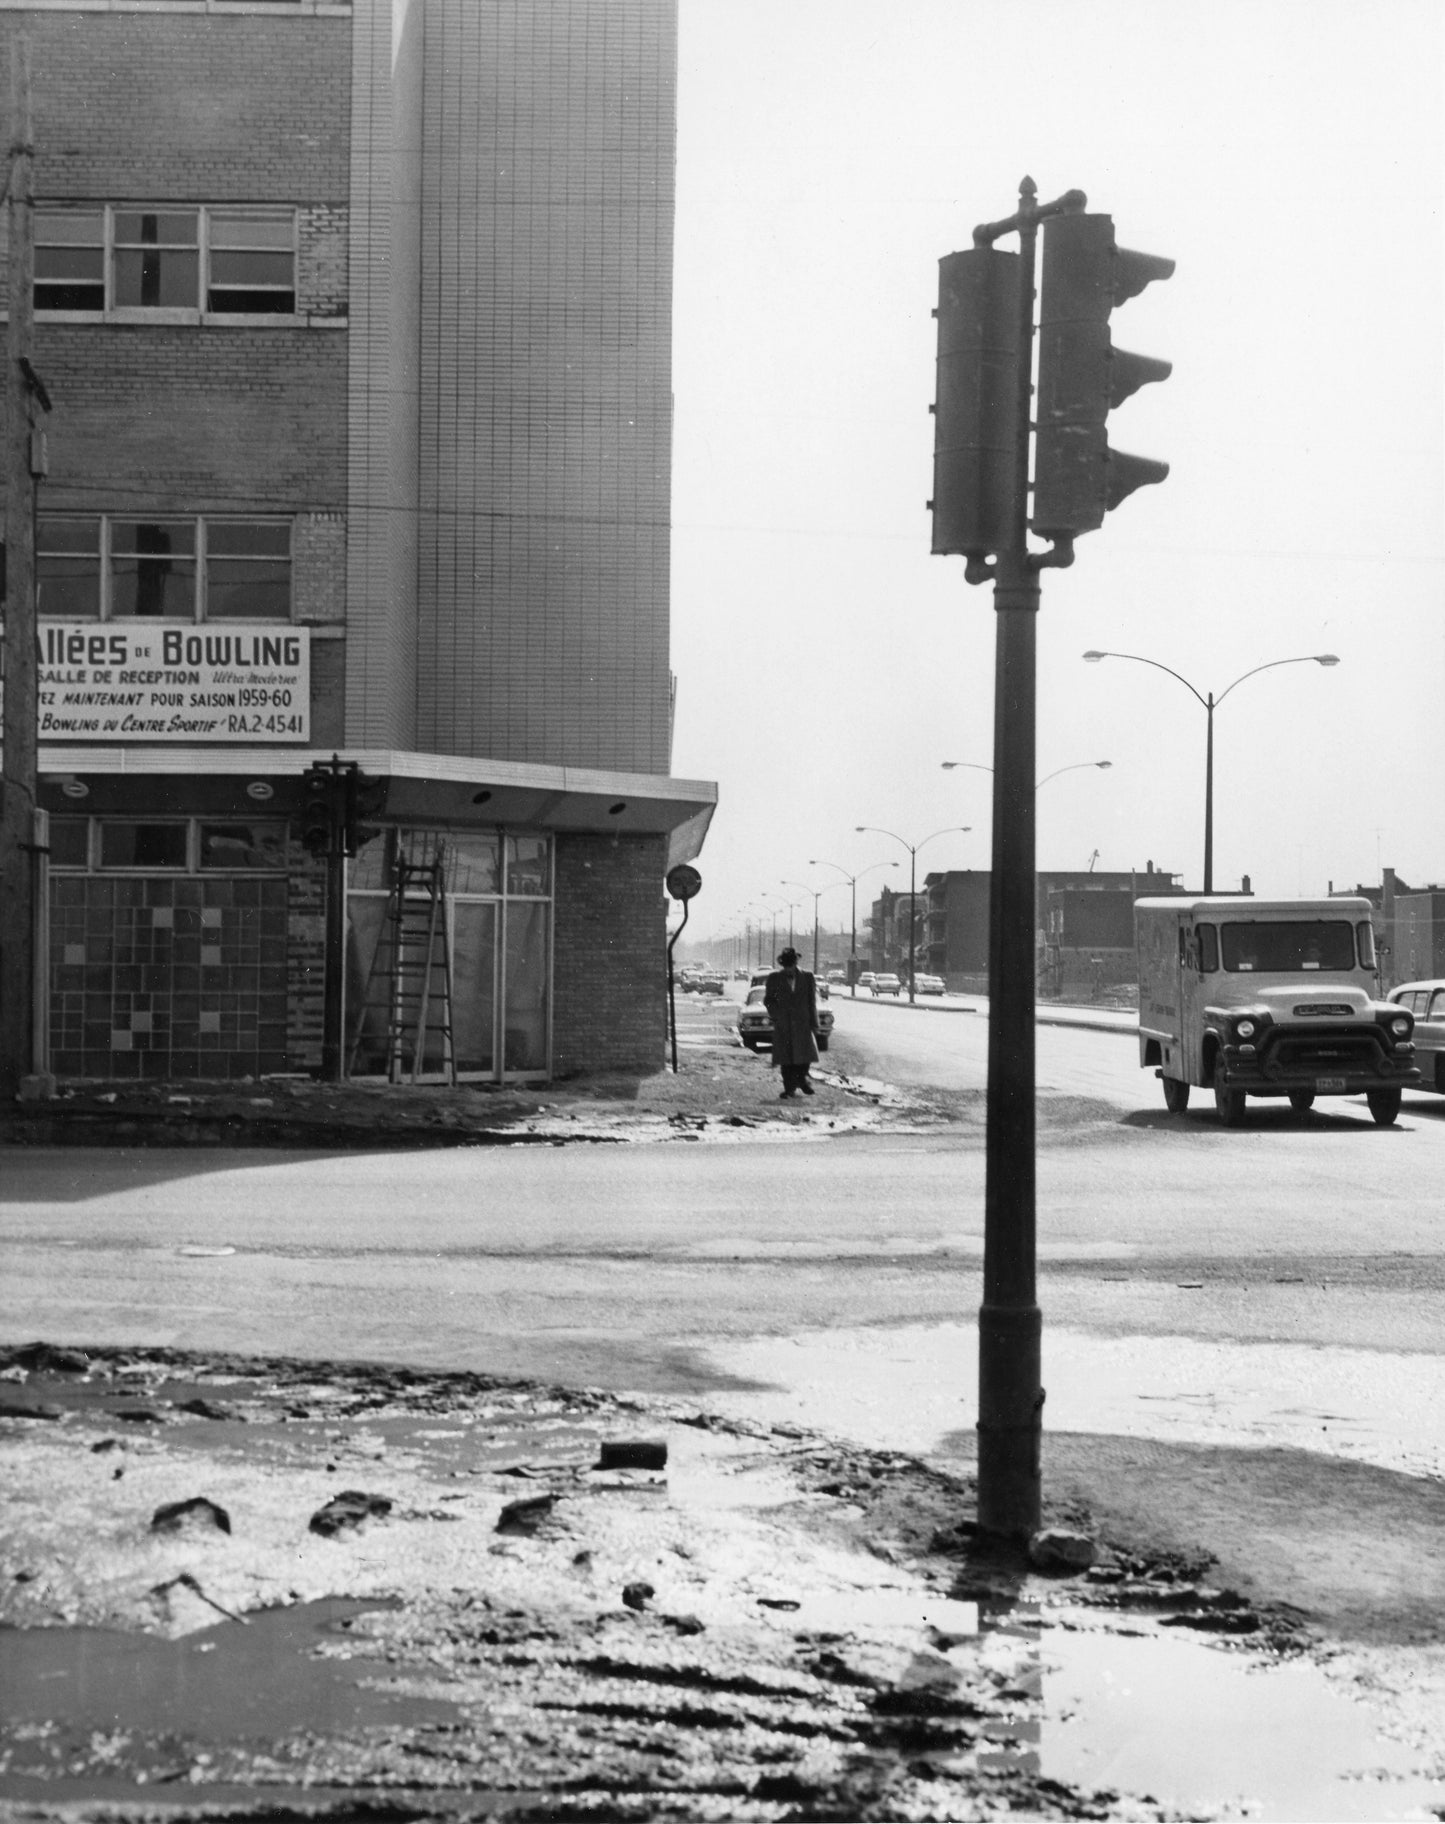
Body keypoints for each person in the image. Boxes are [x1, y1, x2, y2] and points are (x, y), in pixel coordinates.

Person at [763, 947, 821, 1099]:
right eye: (786, 966)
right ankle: (789, 1089)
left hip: (803, 1023)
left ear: (795, 963)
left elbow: (811, 1001)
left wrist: (815, 1023)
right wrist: (777, 1016)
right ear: (783, 965)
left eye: (791, 965)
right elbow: (769, 1000)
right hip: (784, 1024)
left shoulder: (808, 977)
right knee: (786, 1059)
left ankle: (802, 1080)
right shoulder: (774, 978)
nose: (788, 969)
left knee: (805, 1057)